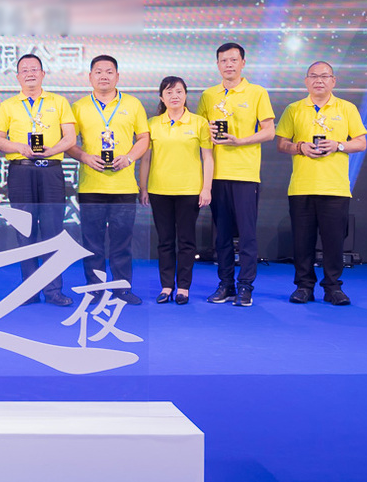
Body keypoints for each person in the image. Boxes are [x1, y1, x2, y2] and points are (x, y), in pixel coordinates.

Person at [275, 61, 367, 306]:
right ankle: (304, 286)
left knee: (334, 242)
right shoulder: (294, 109)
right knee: (302, 241)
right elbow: (281, 144)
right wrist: (299, 147)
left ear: (333, 81)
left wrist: (338, 145)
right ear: (306, 81)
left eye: (324, 76)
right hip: (301, 187)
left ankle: (333, 287)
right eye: (314, 76)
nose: (319, 80)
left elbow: (361, 142)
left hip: (335, 187)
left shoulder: (346, 108)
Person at [196, 42, 276, 307]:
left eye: (233, 60)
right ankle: (226, 285)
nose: (228, 65)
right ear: (217, 64)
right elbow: (200, 131)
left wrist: (240, 141)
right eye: (223, 60)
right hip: (216, 175)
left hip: (245, 174)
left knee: (247, 235)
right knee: (221, 236)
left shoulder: (257, 92)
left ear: (243, 63)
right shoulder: (209, 95)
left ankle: (245, 287)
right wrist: (207, 130)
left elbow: (269, 131)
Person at [0, 53, 77, 306]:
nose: (30, 73)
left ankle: (54, 291)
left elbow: (70, 137)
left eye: (34, 69)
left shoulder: (59, 102)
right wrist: (20, 147)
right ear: (18, 76)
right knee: (25, 230)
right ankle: (29, 290)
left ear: (42, 74)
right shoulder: (8, 105)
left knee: (53, 230)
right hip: (21, 170)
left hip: (51, 170)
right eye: (25, 70)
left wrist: (52, 151)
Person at [69, 55, 149, 304]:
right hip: (91, 185)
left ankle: (122, 288)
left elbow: (144, 138)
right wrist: (84, 157)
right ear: (90, 76)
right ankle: (95, 288)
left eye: (109, 71)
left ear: (117, 76)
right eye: (98, 71)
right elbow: (68, 142)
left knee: (122, 242)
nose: (104, 76)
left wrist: (129, 158)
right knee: (91, 242)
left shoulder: (133, 104)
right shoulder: (79, 106)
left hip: (123, 185)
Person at [138, 76, 213, 305]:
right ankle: (166, 286)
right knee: (165, 241)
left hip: (189, 191)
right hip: (159, 190)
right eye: (169, 92)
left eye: (179, 91)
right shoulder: (152, 124)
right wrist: (143, 187)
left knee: (187, 241)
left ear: (186, 95)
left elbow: (208, 157)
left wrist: (206, 188)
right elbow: (145, 159)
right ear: (161, 98)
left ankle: (183, 288)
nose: (174, 96)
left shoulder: (199, 123)